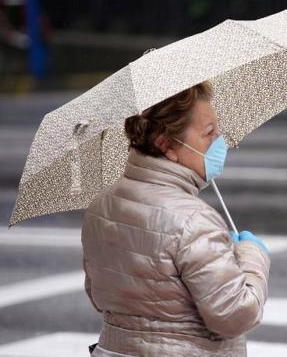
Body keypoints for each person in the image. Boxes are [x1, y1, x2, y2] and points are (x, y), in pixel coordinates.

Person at [81, 80, 271, 357]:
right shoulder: (194, 220)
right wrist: (253, 257)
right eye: (209, 133)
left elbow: (98, 296)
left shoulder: (101, 206)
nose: (220, 141)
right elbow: (234, 316)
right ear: (166, 145)